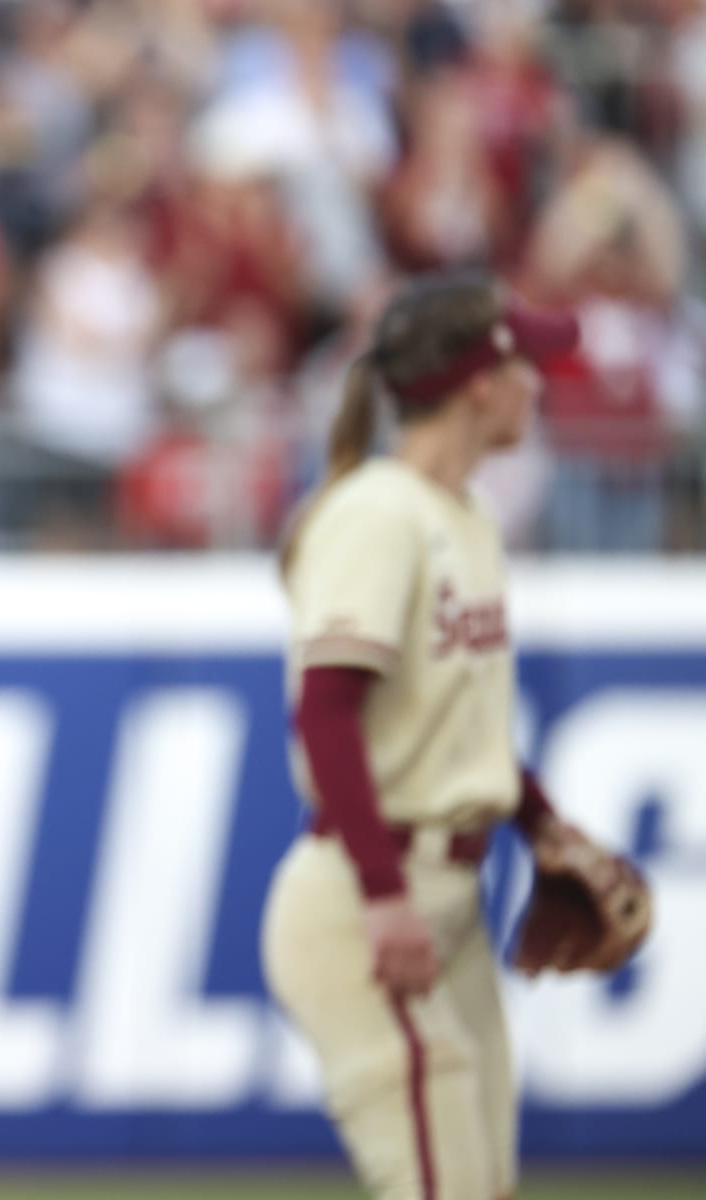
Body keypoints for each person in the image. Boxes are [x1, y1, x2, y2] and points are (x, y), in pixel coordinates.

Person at [261, 270, 633, 1199]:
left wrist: (539, 822)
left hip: (449, 894)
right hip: (368, 892)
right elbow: (328, 708)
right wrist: (385, 894)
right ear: (483, 380)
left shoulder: (463, 513)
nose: (540, 386)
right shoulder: (380, 512)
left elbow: (447, 726)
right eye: (528, 366)